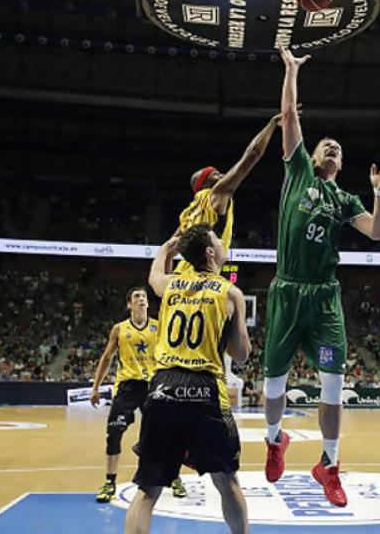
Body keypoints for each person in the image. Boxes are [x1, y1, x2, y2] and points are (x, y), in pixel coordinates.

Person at [262, 47, 380, 508]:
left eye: (338, 149)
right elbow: (287, 114)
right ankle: (275, 440)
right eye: (326, 143)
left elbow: (378, 233)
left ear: (342, 166)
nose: (332, 147)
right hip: (285, 291)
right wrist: (291, 71)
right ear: (312, 153)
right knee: (273, 388)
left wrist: (379, 194)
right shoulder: (298, 170)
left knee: (333, 383)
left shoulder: (344, 200)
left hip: (323, 300)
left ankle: (329, 464)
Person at [125, 224, 252, 534]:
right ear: (210, 253)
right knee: (226, 480)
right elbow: (242, 354)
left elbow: (153, 278)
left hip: (163, 388)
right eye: (218, 242)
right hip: (204, 391)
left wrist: (164, 250)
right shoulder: (230, 292)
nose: (223, 245)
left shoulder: (170, 284)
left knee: (147, 490)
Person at [89, 287, 186, 503]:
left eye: (144, 297)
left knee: (166, 434)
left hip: (154, 386)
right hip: (127, 387)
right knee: (113, 434)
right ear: (129, 305)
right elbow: (107, 358)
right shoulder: (119, 329)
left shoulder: (159, 327)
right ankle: (109, 482)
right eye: (136, 297)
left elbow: (173, 354)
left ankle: (175, 477)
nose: (141, 299)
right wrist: (96, 387)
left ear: (148, 304)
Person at [174, 112, 283, 274]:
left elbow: (169, 248)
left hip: (180, 276)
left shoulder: (187, 213)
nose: (223, 175)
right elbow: (251, 155)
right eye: (216, 174)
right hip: (202, 276)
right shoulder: (216, 193)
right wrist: (272, 124)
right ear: (204, 183)